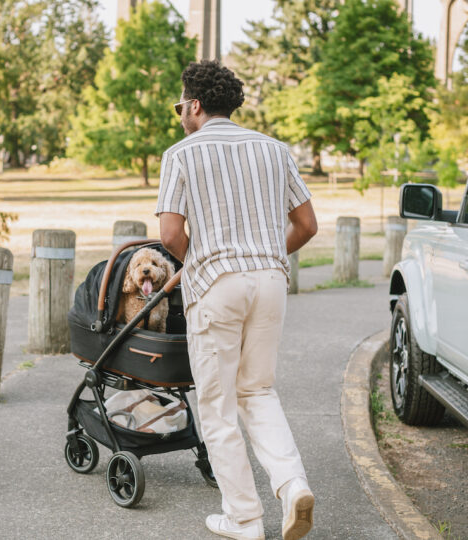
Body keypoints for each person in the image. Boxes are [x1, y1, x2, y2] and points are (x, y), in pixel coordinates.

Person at [155, 60, 319, 540]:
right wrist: (262, 254)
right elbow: (307, 226)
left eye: (179, 105)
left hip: (217, 286)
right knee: (258, 391)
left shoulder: (181, 154)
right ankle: (291, 486)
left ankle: (245, 519)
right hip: (270, 281)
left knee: (218, 405)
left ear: (196, 105)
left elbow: (169, 233)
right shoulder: (275, 150)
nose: (179, 113)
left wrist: (202, 261)